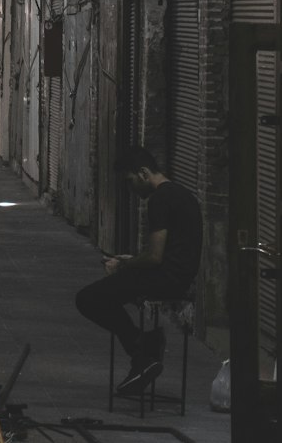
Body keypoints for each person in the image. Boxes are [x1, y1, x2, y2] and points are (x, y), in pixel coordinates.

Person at [75, 146, 202, 396]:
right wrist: (132, 262)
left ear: (143, 173)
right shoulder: (184, 195)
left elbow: (155, 257)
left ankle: (142, 350)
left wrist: (123, 264)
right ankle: (144, 347)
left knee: (88, 298)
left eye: (130, 180)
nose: (131, 188)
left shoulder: (159, 199)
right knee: (109, 293)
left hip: (164, 279)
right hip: (179, 277)